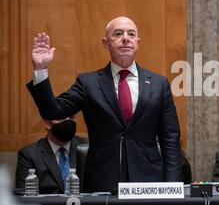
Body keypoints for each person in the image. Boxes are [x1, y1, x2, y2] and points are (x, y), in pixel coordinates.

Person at [26, 17, 182, 192]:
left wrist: (173, 186)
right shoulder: (88, 83)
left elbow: (170, 140)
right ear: (106, 43)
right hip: (103, 180)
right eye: (118, 33)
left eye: (131, 34)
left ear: (137, 43)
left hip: (149, 180)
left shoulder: (159, 84)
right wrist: (40, 69)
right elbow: (53, 111)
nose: (125, 38)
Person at [15, 117, 88, 194]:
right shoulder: (29, 154)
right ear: (48, 123)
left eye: (71, 117)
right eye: (62, 118)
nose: (68, 120)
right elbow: (23, 196)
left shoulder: (88, 148)